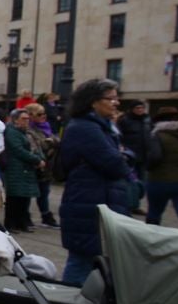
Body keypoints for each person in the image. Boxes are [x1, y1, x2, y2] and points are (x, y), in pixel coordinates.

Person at [56, 79, 132, 286]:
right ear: (93, 102)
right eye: (111, 98)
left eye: (117, 98)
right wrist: (124, 157)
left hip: (98, 201)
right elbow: (115, 164)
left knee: (94, 261)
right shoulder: (85, 128)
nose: (116, 103)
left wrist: (123, 157)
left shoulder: (103, 127)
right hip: (89, 204)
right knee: (82, 262)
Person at [1, 109, 44, 233]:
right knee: (14, 199)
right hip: (16, 168)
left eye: (28, 119)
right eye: (23, 119)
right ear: (15, 120)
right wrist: (36, 160)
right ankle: (10, 224)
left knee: (24, 199)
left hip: (26, 169)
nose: (27, 121)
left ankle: (22, 223)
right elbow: (18, 150)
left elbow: (35, 147)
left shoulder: (25, 132)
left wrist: (40, 158)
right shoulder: (12, 133)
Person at [24, 103, 59, 228]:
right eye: (39, 114)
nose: (43, 116)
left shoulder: (46, 127)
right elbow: (40, 146)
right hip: (35, 166)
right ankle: (26, 216)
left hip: (47, 166)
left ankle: (46, 216)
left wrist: (53, 141)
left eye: (44, 113)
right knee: (29, 193)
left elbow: (57, 141)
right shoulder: (29, 129)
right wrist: (51, 142)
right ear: (31, 116)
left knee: (44, 192)